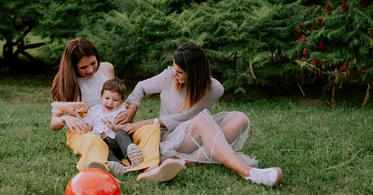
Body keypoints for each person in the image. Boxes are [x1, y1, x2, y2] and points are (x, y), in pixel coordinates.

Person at [115, 43, 282, 187]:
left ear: (194, 73)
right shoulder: (169, 75)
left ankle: (185, 162)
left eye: (180, 72)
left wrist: (144, 122)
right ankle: (248, 173)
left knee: (240, 119)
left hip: (196, 134)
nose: (175, 73)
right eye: (174, 68)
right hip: (170, 137)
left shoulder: (214, 89)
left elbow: (186, 117)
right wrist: (132, 107)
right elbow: (141, 87)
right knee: (202, 121)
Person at [50, 38, 159, 174]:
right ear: (72, 66)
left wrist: (128, 110)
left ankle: (149, 167)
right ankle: (100, 170)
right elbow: (54, 123)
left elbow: (115, 96)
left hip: (115, 123)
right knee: (93, 140)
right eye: (83, 67)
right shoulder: (64, 81)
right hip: (85, 127)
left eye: (93, 63)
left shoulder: (107, 69)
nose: (90, 70)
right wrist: (66, 119)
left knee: (150, 129)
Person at [83, 79, 144, 176]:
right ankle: (119, 166)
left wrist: (115, 127)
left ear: (121, 101)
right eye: (107, 98)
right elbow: (87, 126)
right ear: (101, 97)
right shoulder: (94, 110)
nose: (110, 103)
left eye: (115, 100)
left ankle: (131, 153)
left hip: (118, 143)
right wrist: (77, 117)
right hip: (103, 143)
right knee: (104, 150)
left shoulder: (122, 111)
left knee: (121, 135)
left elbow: (128, 126)